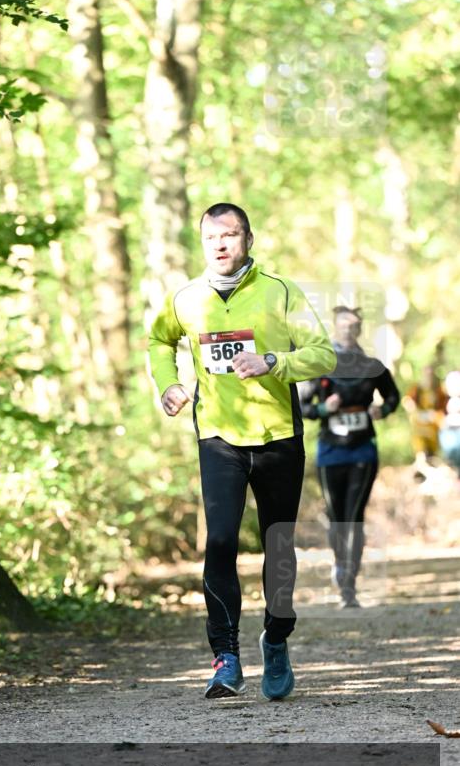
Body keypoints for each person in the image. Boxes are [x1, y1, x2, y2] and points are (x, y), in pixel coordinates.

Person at [147, 203, 336, 701]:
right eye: (212, 238)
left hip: (277, 438)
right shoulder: (186, 298)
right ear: (203, 243)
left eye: (231, 235)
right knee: (222, 543)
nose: (222, 245)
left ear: (248, 239)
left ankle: (275, 639)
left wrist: (274, 360)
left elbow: (324, 354)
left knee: (278, 549)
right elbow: (158, 341)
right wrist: (168, 385)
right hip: (219, 438)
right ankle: (225, 657)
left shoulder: (280, 292)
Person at [299, 306, 400, 608]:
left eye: (354, 326)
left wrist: (382, 409)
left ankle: (348, 585)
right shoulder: (321, 365)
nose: (348, 331)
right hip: (330, 451)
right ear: (335, 328)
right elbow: (302, 407)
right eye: (343, 326)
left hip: (362, 450)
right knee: (336, 517)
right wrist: (322, 409)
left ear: (359, 330)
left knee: (353, 516)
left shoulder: (372, 365)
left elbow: (393, 396)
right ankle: (340, 563)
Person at [402, 365, 448, 479]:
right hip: (419, 425)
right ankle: (421, 471)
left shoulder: (438, 389)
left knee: (433, 452)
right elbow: (407, 401)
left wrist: (435, 415)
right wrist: (413, 410)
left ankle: (433, 474)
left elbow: (443, 407)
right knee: (420, 450)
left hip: (433, 427)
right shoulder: (417, 388)